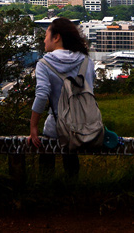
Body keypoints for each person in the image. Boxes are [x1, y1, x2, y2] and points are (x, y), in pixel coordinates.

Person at [29, 17, 96, 178]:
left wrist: (33, 126)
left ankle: (47, 195)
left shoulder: (44, 64)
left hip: (56, 127)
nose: (44, 40)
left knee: (46, 167)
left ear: (56, 37)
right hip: (83, 126)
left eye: (46, 35)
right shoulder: (87, 61)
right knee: (72, 166)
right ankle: (73, 194)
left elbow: (42, 95)